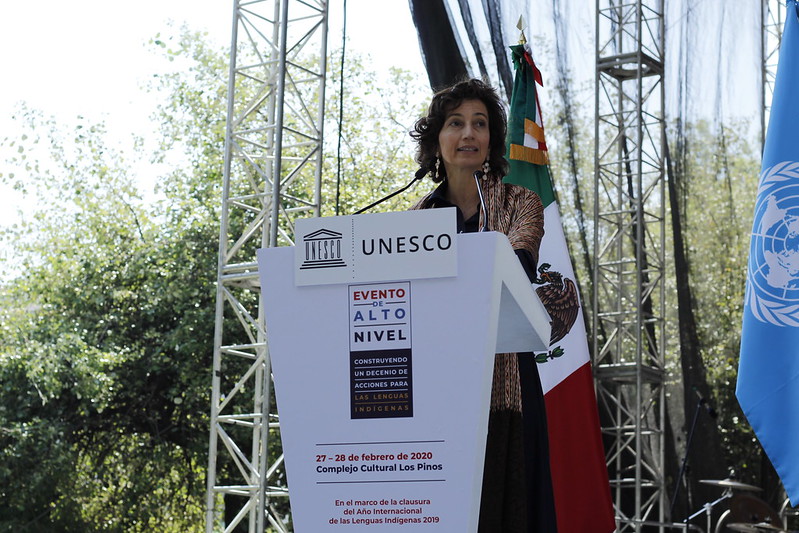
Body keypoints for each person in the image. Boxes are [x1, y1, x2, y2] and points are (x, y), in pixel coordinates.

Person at [410, 78, 557, 533]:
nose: (468, 134)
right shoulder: (414, 221)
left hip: (508, 378)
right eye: (456, 123)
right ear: (437, 140)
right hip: (438, 388)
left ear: (492, 140)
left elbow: (517, 268)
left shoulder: (521, 202)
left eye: (480, 123)